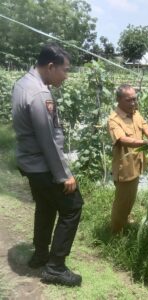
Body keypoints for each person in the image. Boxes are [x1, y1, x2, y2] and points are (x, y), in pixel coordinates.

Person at [12, 44, 83, 287]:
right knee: (73, 207)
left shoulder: (22, 83)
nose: (66, 75)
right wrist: (64, 175)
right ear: (50, 67)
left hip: (29, 163)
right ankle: (55, 268)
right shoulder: (40, 94)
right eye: (65, 70)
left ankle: (40, 255)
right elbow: (48, 141)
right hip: (43, 165)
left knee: (45, 206)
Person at [108, 84, 148, 234]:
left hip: (136, 164)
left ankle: (124, 221)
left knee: (129, 198)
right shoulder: (114, 119)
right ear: (119, 100)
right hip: (125, 168)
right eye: (129, 100)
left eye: (135, 99)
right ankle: (115, 233)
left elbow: (146, 130)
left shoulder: (135, 114)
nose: (133, 103)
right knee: (122, 202)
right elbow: (122, 139)